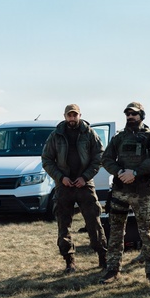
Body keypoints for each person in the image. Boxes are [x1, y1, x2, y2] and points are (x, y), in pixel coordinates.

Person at [100, 102, 150, 285]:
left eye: (134, 114)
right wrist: (119, 172)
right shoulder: (119, 137)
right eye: (127, 114)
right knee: (115, 232)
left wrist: (135, 173)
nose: (130, 117)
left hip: (142, 192)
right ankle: (112, 269)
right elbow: (106, 159)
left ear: (141, 116)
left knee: (147, 233)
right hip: (120, 191)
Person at [41, 104, 108, 273]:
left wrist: (85, 177)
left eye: (75, 115)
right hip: (64, 186)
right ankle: (69, 261)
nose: (72, 118)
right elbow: (47, 159)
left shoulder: (89, 133)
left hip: (85, 185)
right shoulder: (56, 135)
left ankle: (103, 256)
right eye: (69, 115)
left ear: (80, 115)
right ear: (64, 116)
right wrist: (60, 177)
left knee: (94, 222)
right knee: (63, 225)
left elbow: (99, 156)